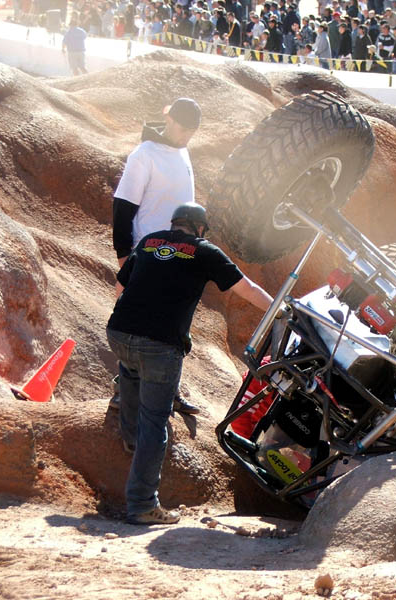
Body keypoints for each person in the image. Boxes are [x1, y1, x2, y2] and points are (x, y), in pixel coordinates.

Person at [107, 203, 273, 525]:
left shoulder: (150, 241)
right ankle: (142, 504)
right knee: (155, 422)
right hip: (160, 344)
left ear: (175, 224)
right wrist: (282, 309)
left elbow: (120, 287)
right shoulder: (205, 251)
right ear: (199, 228)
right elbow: (247, 289)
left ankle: (129, 439)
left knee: (130, 371)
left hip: (119, 332)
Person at [112, 98, 203, 415]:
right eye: (183, 129)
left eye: (191, 132)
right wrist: (126, 260)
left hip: (179, 259)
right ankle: (122, 395)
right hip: (147, 256)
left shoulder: (183, 151)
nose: (185, 136)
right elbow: (122, 209)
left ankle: (169, 392)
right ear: (169, 118)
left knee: (175, 328)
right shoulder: (144, 155)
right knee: (137, 326)